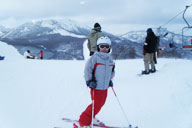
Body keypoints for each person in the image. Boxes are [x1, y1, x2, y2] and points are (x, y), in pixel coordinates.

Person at [74, 37, 115, 128]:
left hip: (104, 87)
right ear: (98, 47)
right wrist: (89, 81)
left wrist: (110, 80)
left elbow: (112, 71)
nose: (104, 49)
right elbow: (87, 70)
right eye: (102, 46)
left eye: (106, 47)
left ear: (109, 48)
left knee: (101, 103)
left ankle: (91, 117)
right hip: (96, 86)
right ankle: (83, 121)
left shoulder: (110, 60)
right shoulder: (94, 58)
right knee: (96, 105)